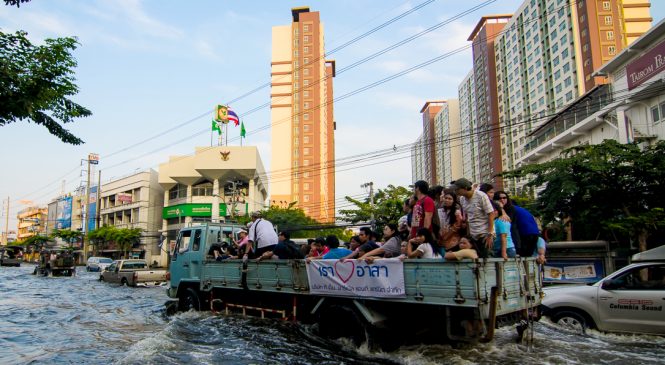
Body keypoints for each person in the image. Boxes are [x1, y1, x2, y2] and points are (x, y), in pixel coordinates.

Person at [452, 178, 496, 258]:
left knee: (486, 258)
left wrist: (490, 234)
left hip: (484, 233)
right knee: (475, 258)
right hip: (473, 234)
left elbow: (491, 214)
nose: (456, 192)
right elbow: (468, 216)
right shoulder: (462, 199)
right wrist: (468, 234)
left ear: (465, 188)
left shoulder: (481, 196)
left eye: (457, 189)